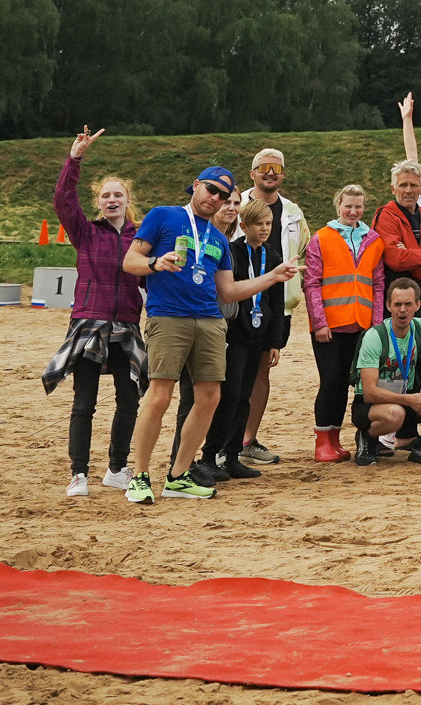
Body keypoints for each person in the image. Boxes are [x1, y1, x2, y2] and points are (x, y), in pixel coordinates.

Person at [120, 167, 297, 502]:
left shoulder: (218, 239)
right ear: (197, 186)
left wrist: (273, 277)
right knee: (159, 395)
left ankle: (178, 476)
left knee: (210, 398)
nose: (214, 199)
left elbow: (229, 292)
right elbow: (131, 261)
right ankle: (140, 476)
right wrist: (156, 263)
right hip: (169, 317)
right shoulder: (163, 216)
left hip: (212, 321)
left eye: (222, 195)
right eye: (211, 190)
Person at [44, 129, 144, 497]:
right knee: (84, 401)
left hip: (128, 325)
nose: (112, 199)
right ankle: (79, 474)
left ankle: (117, 469)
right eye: (105, 195)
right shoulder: (85, 232)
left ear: (128, 200)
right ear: (99, 203)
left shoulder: (142, 236)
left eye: (118, 194)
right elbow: (63, 201)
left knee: (129, 399)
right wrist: (75, 159)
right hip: (89, 321)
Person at [300, 183, 387, 464]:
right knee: (332, 383)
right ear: (338, 205)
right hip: (330, 327)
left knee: (359, 384)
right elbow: (311, 283)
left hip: (362, 326)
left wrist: (375, 325)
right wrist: (319, 322)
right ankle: (324, 441)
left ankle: (342, 440)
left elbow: (378, 284)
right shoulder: (321, 238)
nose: (353, 211)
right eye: (348, 205)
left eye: (358, 206)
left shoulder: (374, 240)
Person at [207, 199, 289, 481]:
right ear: (244, 226)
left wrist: (274, 341)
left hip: (259, 334)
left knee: (245, 396)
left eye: (268, 224)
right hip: (235, 333)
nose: (265, 229)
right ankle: (211, 454)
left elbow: (276, 303)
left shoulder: (273, 255)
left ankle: (233, 455)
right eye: (259, 224)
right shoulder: (233, 251)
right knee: (229, 395)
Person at [236, 146, 306, 466]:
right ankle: (226, 438)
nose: (270, 173)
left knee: (262, 368)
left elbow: (303, 247)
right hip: (237, 299)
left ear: (283, 176)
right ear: (252, 174)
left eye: (276, 169)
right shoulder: (235, 205)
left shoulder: (292, 211)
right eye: (263, 168)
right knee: (233, 369)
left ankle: (248, 439)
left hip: (277, 304)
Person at [353, 276, 421, 466]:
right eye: (398, 304)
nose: (403, 310)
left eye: (408, 304)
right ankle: (367, 437)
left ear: (417, 305)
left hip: (407, 396)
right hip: (373, 405)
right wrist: (409, 400)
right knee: (396, 414)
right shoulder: (374, 336)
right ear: (388, 306)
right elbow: (369, 393)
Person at [375, 158, 421, 327]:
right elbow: (396, 259)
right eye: (403, 185)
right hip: (398, 305)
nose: (408, 190)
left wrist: (410, 255)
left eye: (414, 185)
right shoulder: (385, 216)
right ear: (393, 189)